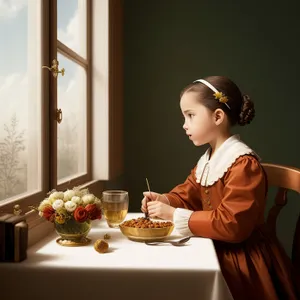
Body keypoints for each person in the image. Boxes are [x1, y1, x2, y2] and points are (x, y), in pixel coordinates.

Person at [141, 76, 300, 300]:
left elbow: (233, 225)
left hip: (243, 259)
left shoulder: (243, 164)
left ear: (217, 116)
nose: (184, 124)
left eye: (191, 115)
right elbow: (188, 193)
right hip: (214, 245)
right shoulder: (209, 159)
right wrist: (166, 200)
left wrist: (175, 215)